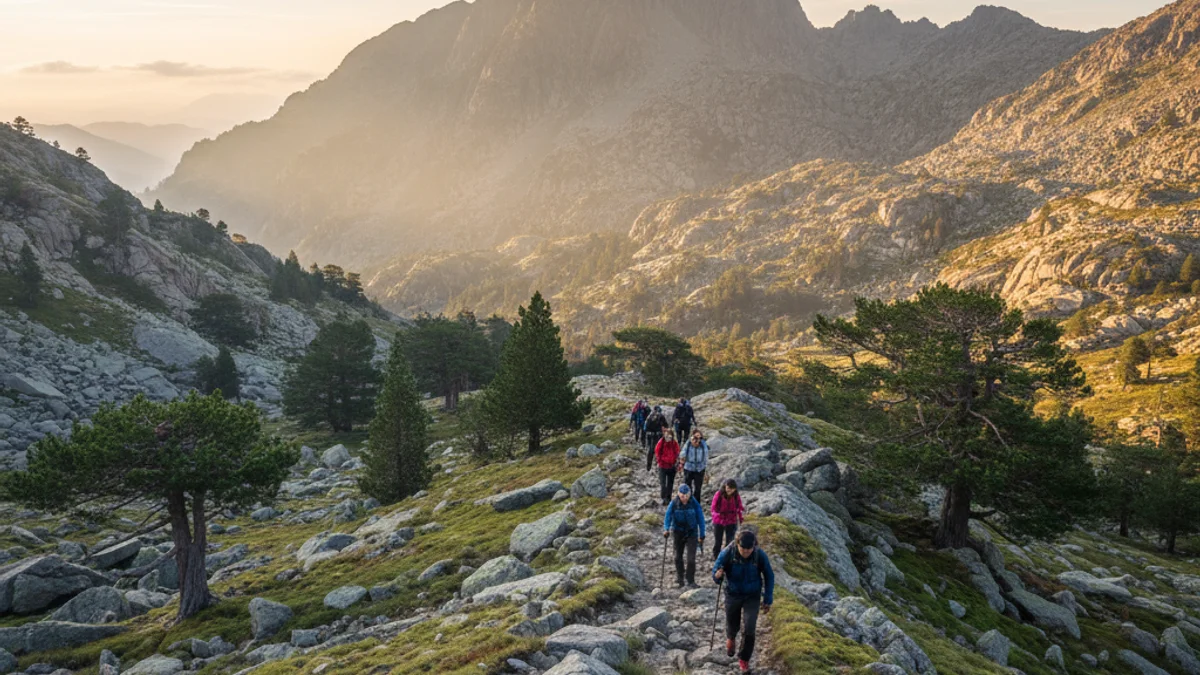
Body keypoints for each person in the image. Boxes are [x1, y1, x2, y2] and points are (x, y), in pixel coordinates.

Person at [713, 530, 774, 672]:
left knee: (750, 627)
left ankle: (744, 659)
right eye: (743, 549)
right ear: (737, 544)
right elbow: (716, 571)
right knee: (732, 621)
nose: (746, 552)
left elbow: (769, 576)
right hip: (732, 593)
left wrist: (767, 598)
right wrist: (717, 576)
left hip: (752, 595)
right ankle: (731, 637)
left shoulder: (759, 555)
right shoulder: (728, 553)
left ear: (753, 546)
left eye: (749, 549)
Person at [663, 483, 705, 587]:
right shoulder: (673, 503)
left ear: (690, 495)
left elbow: (701, 518)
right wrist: (666, 528)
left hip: (692, 532)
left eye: (686, 496)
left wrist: (702, 534)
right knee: (678, 556)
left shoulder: (694, 503)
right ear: (678, 494)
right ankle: (680, 577)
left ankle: (690, 580)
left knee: (691, 559)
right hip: (678, 532)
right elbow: (668, 516)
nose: (684, 498)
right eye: (682, 496)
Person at [710, 478, 744, 559]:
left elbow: (739, 508)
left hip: (731, 521)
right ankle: (716, 556)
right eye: (728, 488)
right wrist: (717, 516)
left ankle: (726, 556)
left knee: (730, 541)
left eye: (731, 489)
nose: (729, 490)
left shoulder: (736, 496)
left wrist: (741, 519)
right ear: (725, 487)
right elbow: (713, 508)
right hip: (719, 521)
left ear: (734, 489)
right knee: (718, 541)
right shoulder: (718, 494)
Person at [654, 429, 681, 506]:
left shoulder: (674, 443)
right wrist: (660, 461)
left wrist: (677, 462)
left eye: (669, 435)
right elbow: (657, 452)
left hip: (672, 466)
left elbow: (677, 452)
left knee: (670, 483)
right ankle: (663, 498)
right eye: (666, 435)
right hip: (662, 466)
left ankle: (668, 499)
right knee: (663, 484)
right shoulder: (661, 443)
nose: (668, 437)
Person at [681, 429, 709, 500]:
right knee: (687, 486)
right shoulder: (688, 443)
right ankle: (688, 501)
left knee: (698, 488)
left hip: (700, 468)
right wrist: (683, 457)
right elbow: (682, 453)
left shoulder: (703, 444)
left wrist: (706, 470)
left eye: (700, 437)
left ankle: (696, 503)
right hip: (688, 467)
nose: (698, 439)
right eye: (696, 437)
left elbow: (706, 457)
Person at [643, 405, 668, 471]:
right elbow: (666, 425)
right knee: (659, 449)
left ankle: (648, 466)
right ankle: (658, 464)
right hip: (657, 435)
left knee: (650, 449)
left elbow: (645, 427)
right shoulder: (661, 416)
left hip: (649, 435)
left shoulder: (649, 415)